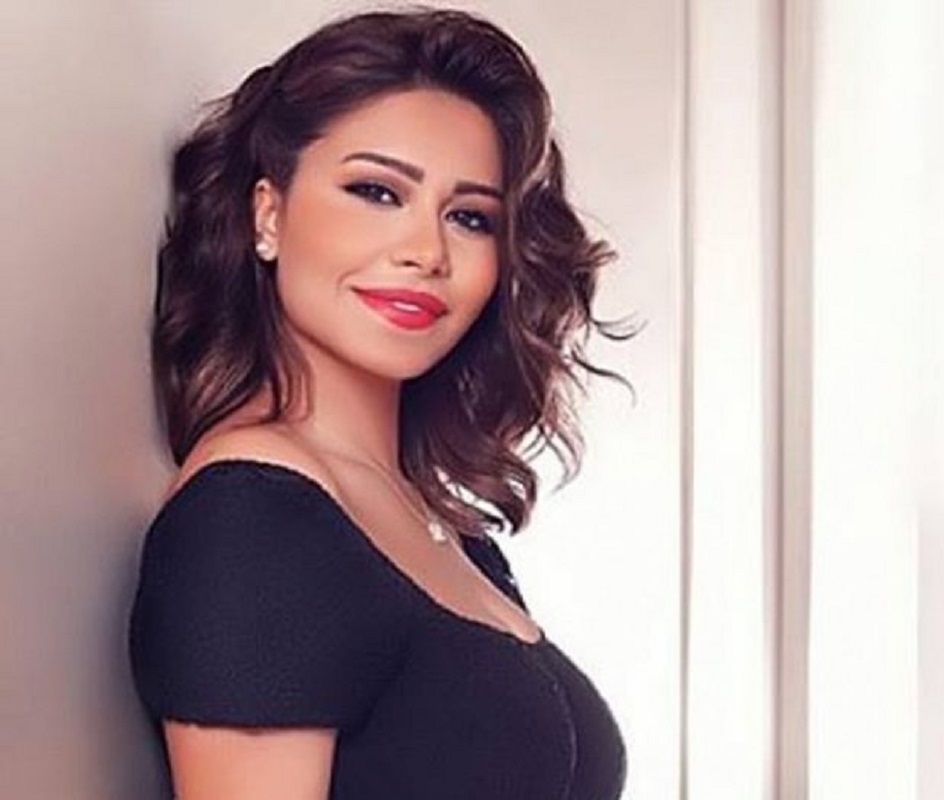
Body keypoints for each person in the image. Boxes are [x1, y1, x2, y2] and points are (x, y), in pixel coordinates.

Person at [128, 7, 635, 799]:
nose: (426, 252)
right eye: (376, 191)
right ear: (269, 213)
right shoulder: (254, 515)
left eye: (470, 218)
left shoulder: (444, 526)